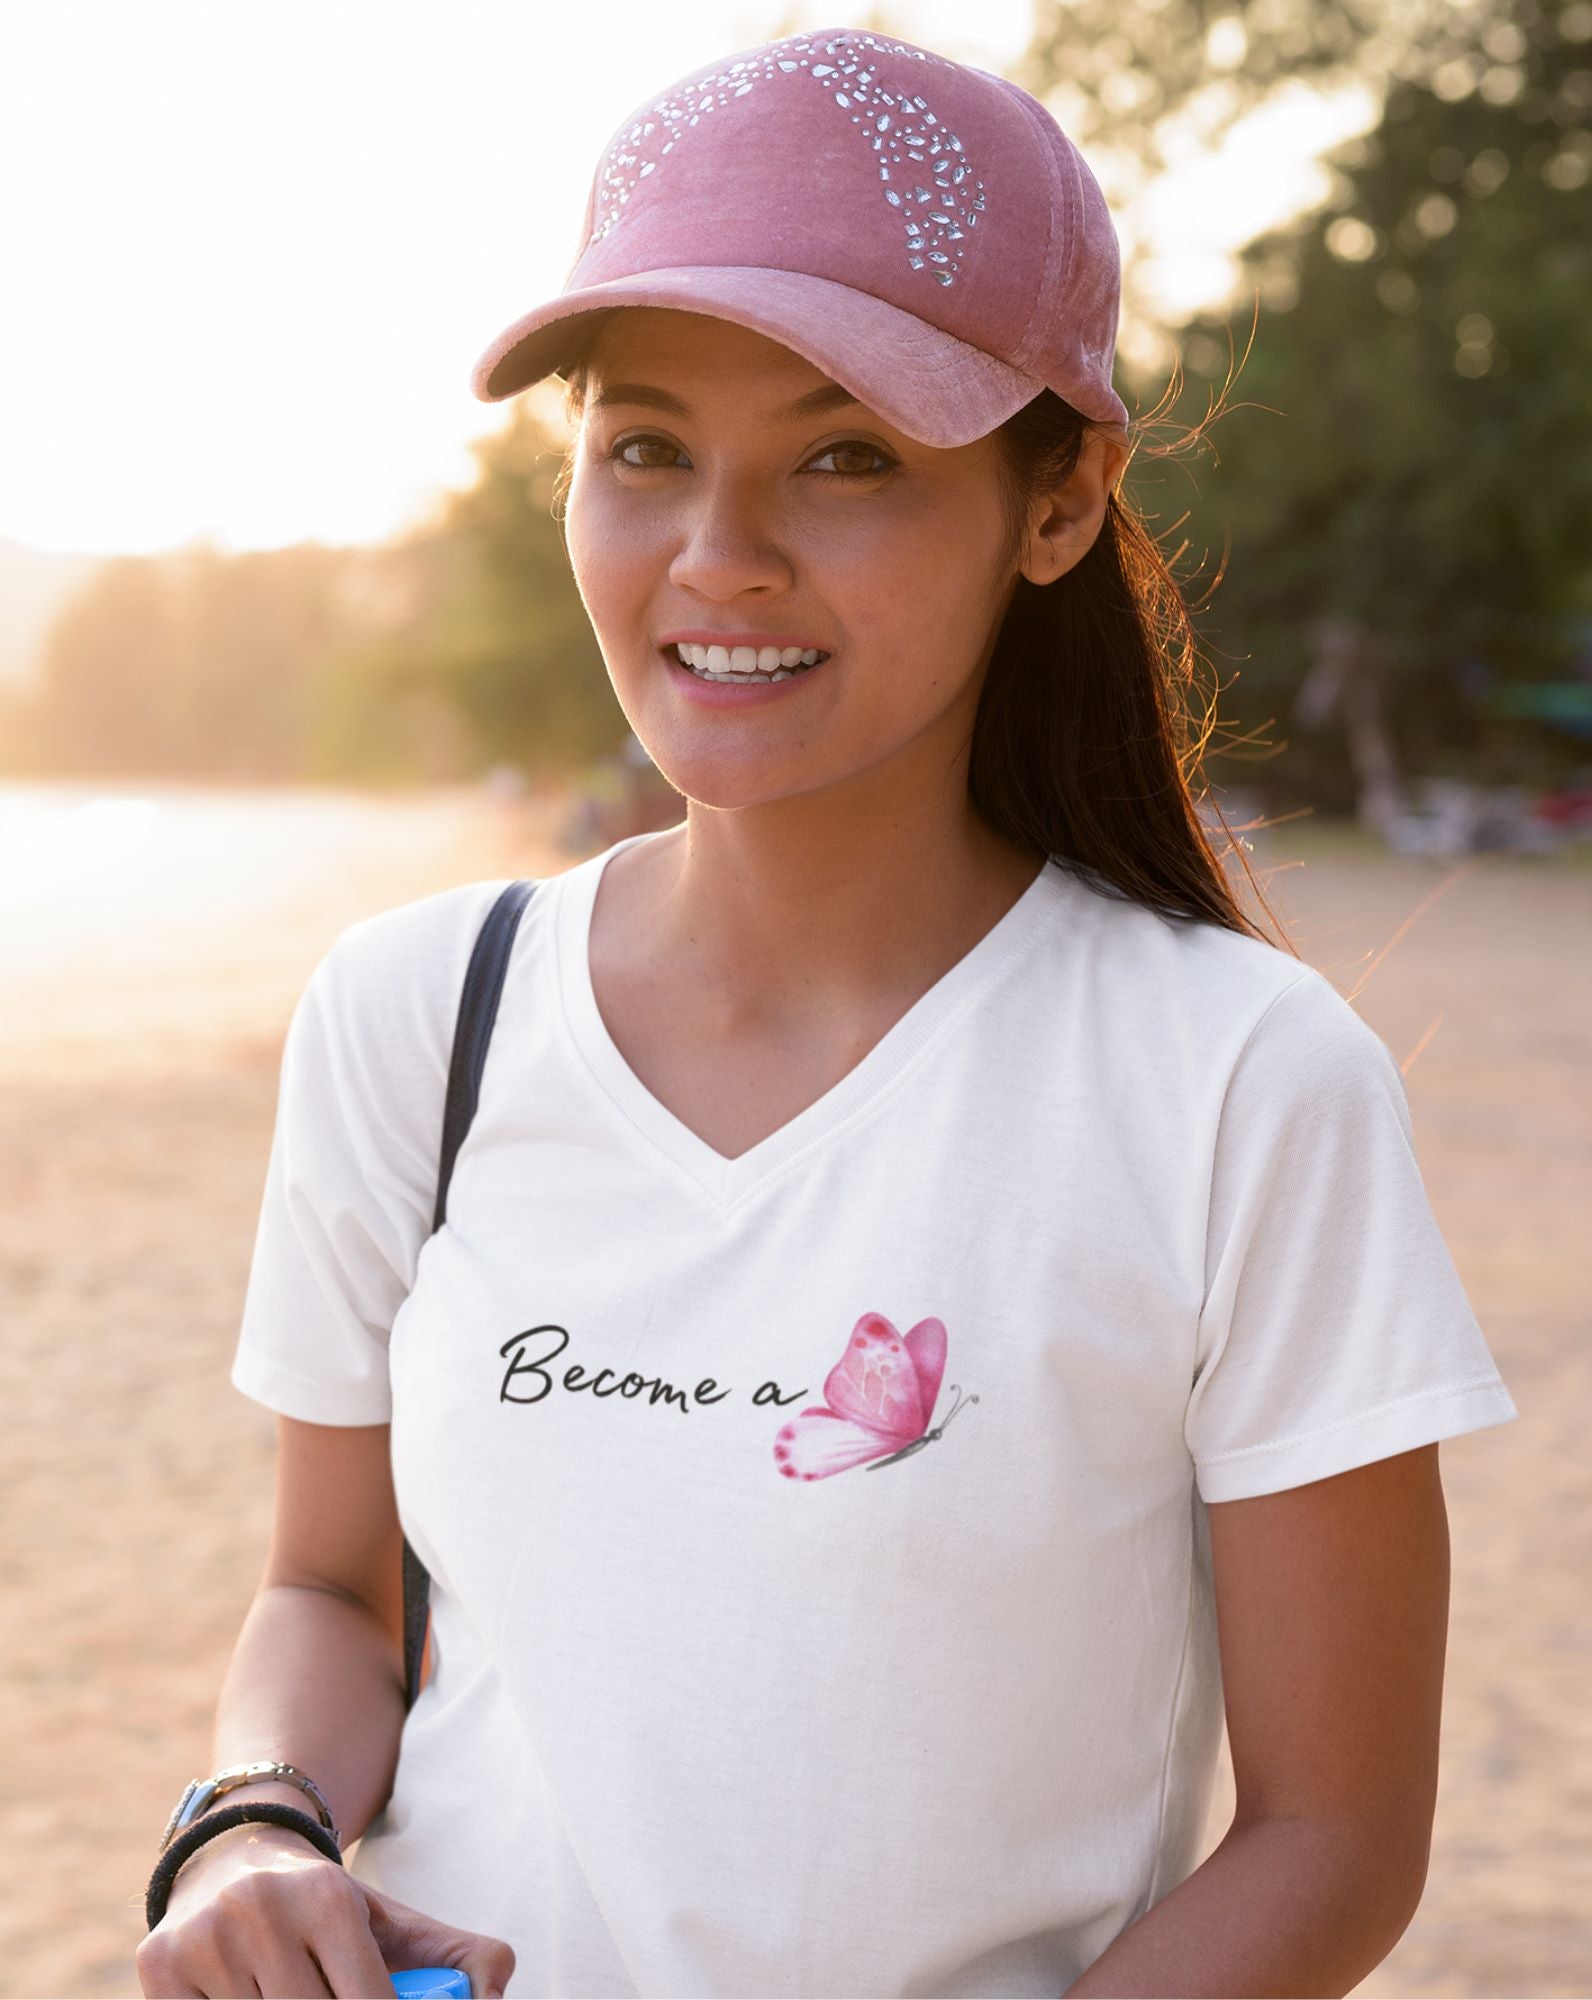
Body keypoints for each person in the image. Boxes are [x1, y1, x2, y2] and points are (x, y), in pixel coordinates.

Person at [138, 25, 1520, 2000]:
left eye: (846, 454)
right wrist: (253, 1824)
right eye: (642, 451)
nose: (718, 555)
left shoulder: (1237, 1081)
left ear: (1057, 502)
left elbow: (1333, 1837)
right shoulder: (409, 1015)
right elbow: (331, 1591)